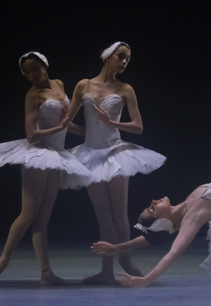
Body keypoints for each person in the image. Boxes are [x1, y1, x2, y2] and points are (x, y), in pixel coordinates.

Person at [0, 52, 92, 285]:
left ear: (45, 65)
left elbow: (65, 123)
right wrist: (60, 126)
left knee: (42, 218)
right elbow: (31, 134)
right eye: (27, 72)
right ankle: (2, 260)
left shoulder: (59, 84)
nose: (32, 75)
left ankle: (46, 272)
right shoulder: (33, 95)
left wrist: (87, 131)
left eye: (35, 69)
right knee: (29, 213)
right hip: (38, 153)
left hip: (56, 155)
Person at [68, 42, 166, 284]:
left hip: (116, 153)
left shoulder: (125, 88)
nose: (124, 62)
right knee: (103, 217)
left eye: (128, 59)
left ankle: (125, 259)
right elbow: (67, 121)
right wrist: (89, 132)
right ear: (108, 56)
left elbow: (138, 127)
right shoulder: (84, 85)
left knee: (120, 215)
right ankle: (106, 271)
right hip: (91, 154)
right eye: (121, 56)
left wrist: (111, 124)